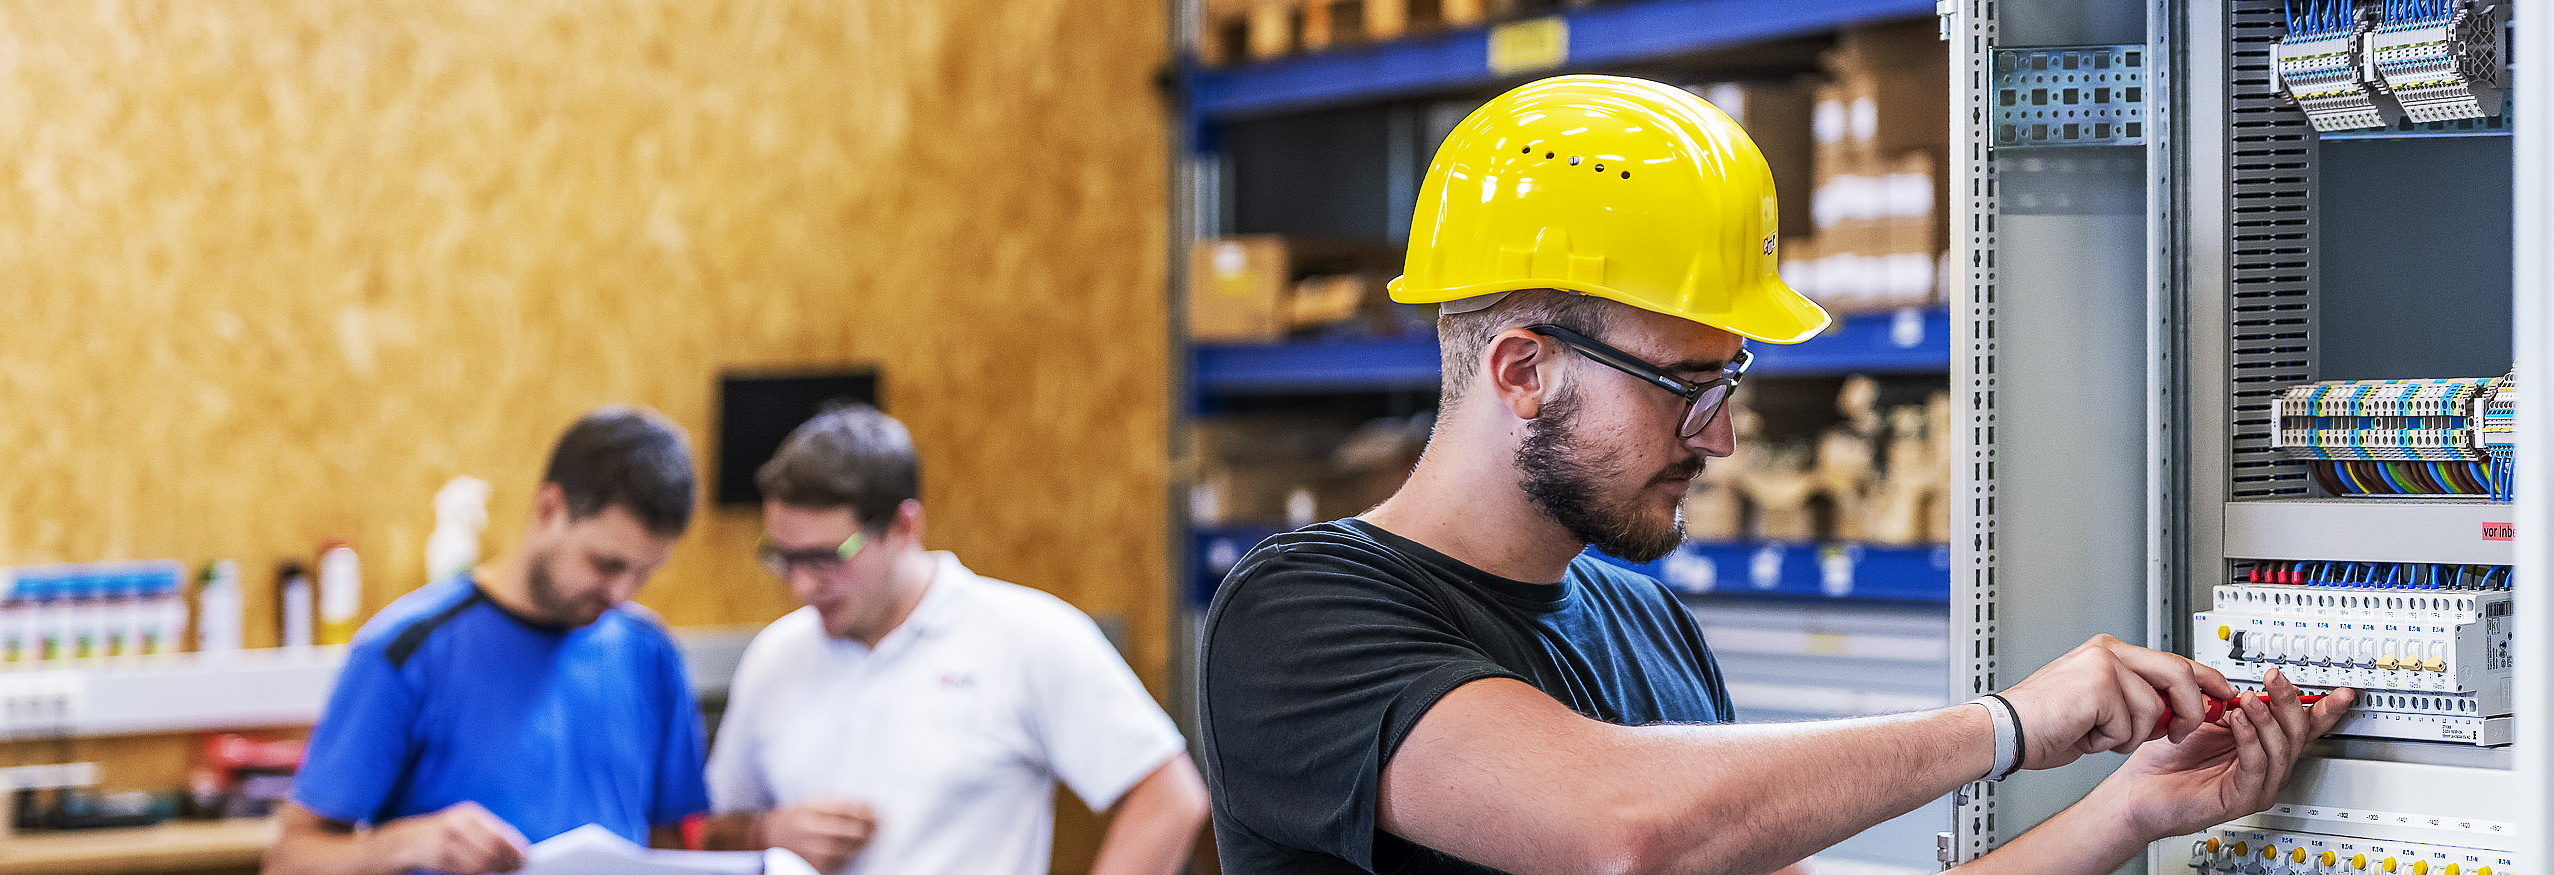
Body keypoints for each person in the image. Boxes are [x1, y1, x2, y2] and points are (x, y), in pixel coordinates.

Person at [1195, 74, 2358, 875]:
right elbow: (1620, 831)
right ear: (1522, 370)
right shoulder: (1302, 615)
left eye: (1730, 383)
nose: (1720, 438)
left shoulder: (1645, 623)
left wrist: (2123, 814)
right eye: (1685, 383)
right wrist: (2008, 724)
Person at [702, 404, 1210, 875]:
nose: (802, 585)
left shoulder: (1026, 636)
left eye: (828, 558)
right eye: (786, 558)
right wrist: (764, 832)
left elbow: (1170, 799)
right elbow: (711, 828)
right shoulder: (775, 656)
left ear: (904, 526)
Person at [265, 406, 709, 875]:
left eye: (645, 573)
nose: (621, 594)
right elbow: (290, 862)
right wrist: (412, 844)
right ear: (549, 509)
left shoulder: (650, 653)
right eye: (606, 564)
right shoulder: (407, 651)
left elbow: (669, 844)